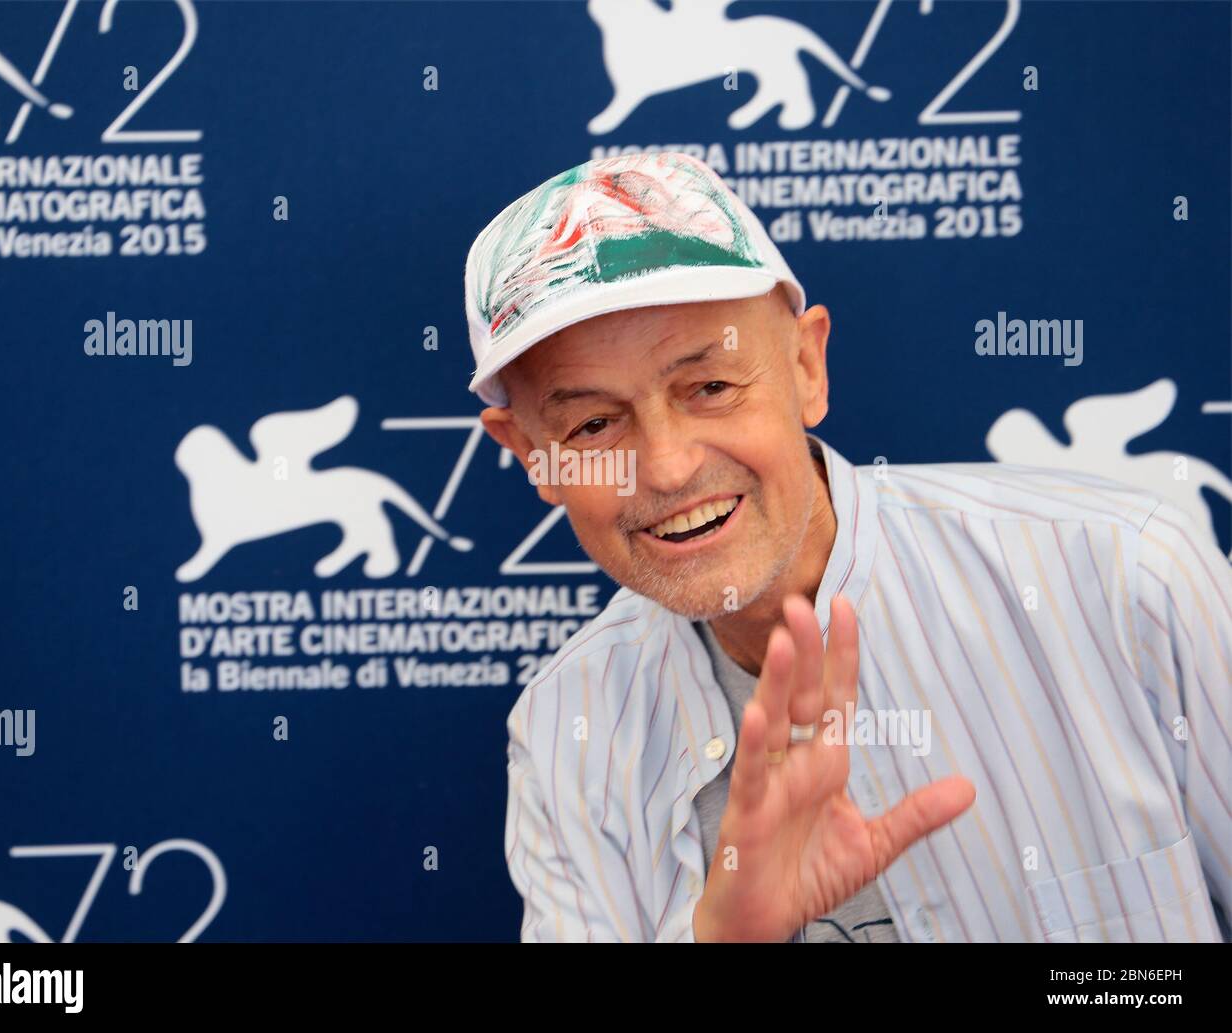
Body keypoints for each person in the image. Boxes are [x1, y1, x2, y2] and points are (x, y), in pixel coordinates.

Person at [464, 151, 1231, 942]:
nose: (667, 464)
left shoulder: (1128, 581)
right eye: (594, 424)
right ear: (531, 454)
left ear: (806, 367)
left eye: (711, 387)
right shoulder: (565, 729)